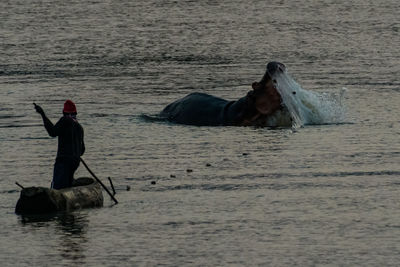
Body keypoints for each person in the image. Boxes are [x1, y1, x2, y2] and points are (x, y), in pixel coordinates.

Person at [34, 100, 85, 189]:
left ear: (64, 112)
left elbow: (52, 132)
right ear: (75, 112)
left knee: (57, 189)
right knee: (67, 188)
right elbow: (82, 151)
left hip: (64, 161)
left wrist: (42, 114)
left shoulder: (65, 120)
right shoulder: (80, 127)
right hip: (75, 162)